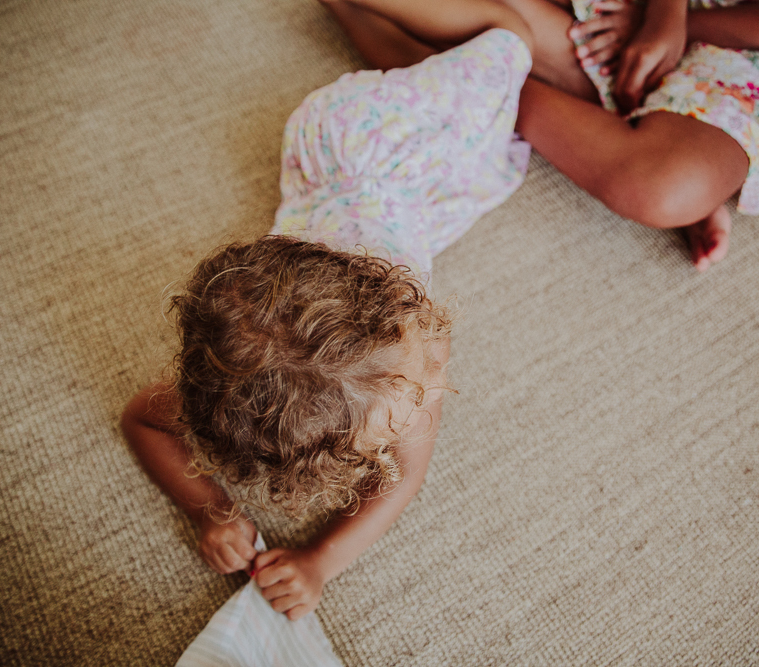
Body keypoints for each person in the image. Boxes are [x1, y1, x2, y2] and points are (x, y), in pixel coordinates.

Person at [122, 0, 537, 621]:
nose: (438, 382)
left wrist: (323, 558)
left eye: (425, 373)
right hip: (343, 194)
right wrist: (210, 510)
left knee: (513, 40)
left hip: (364, 144)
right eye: (418, 392)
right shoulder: (242, 396)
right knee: (482, 67)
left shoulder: (413, 331)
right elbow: (141, 421)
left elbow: (402, 479)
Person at [329, 0, 759, 270]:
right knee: (526, 29)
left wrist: (682, 29)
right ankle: (509, 74)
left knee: (665, 184)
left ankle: (486, 78)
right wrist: (662, 15)